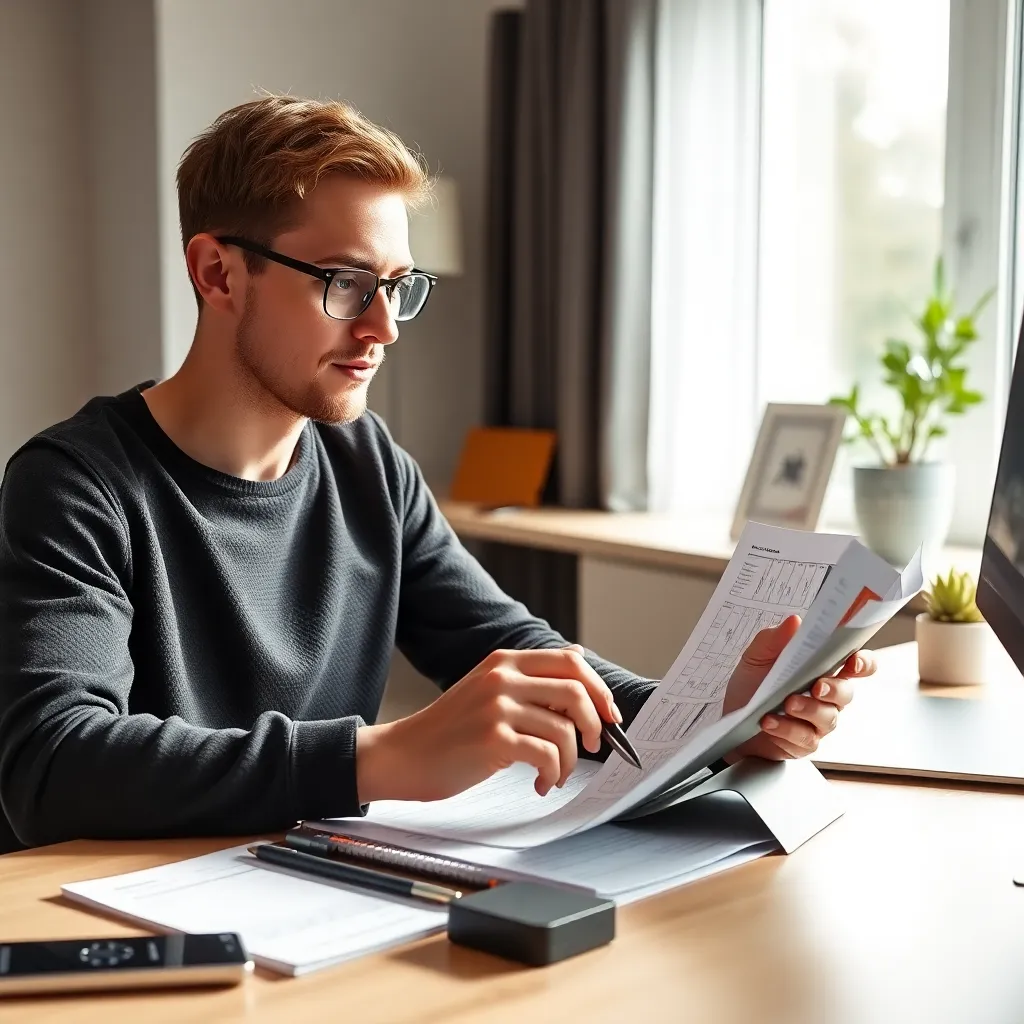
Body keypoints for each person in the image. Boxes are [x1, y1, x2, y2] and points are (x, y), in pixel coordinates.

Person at [0, 96, 874, 852]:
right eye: (345, 284)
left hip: (304, 898)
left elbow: (514, 649)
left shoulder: (366, 463)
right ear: (218, 272)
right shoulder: (76, 486)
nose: (384, 328)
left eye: (398, 286)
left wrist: (715, 717)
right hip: (126, 925)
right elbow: (53, 765)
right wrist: (385, 757)